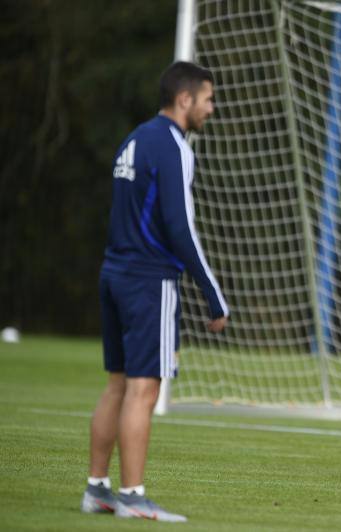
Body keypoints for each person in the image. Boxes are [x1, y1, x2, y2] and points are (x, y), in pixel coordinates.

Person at [80, 61, 229, 521]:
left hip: (115, 272)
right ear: (184, 99)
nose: (212, 107)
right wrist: (213, 294)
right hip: (149, 281)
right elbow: (179, 228)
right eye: (207, 98)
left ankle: (98, 489)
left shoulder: (133, 139)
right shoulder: (173, 146)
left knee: (118, 385)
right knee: (144, 389)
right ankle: (132, 496)